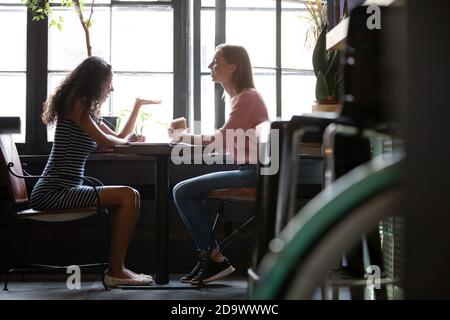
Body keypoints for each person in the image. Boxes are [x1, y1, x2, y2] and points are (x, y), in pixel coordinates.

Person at [29, 56, 161, 288]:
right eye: (108, 82)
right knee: (128, 195)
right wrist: (125, 142)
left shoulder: (85, 109)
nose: (111, 87)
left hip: (68, 187)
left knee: (132, 195)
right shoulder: (76, 104)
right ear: (95, 81)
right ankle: (116, 270)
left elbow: (116, 138)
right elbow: (104, 140)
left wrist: (137, 107)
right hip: (53, 191)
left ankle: (117, 268)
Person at [170, 44, 269, 284]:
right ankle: (210, 258)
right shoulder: (238, 98)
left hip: (252, 173)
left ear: (233, 67)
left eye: (215, 61)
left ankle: (214, 259)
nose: (209, 66)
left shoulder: (248, 97)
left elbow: (221, 141)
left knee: (182, 191)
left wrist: (183, 137)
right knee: (184, 192)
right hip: (249, 170)